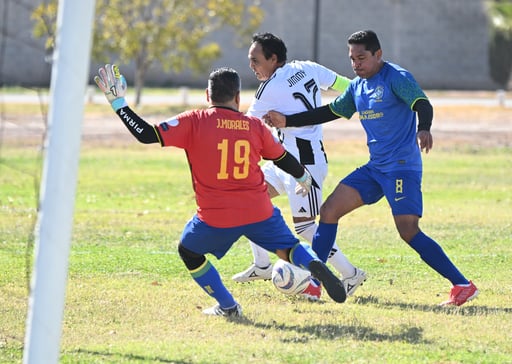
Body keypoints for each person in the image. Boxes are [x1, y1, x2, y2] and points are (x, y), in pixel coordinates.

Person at [94, 64, 347, 317]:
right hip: (259, 209)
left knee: (189, 251)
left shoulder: (194, 121)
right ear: (238, 98)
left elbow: (147, 135)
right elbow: (282, 158)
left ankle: (228, 306)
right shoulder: (254, 125)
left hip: (216, 216)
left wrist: (119, 104)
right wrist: (302, 176)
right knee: (289, 248)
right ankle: (312, 263)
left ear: (207, 95)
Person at [264, 30, 478, 307]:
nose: (356, 65)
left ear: (378, 54)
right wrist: (287, 121)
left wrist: (424, 128)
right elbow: (329, 112)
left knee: (408, 230)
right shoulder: (357, 87)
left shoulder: (396, 77)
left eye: (362, 58)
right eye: (352, 59)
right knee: (329, 211)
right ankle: (315, 283)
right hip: (375, 168)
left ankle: (462, 285)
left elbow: (422, 104)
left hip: (402, 168)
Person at [231, 32, 367, 300]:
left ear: (273, 58)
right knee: (245, 200)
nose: (252, 66)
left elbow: (245, 127)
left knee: (305, 227)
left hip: (305, 165)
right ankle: (262, 265)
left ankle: (351, 274)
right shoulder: (308, 67)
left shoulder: (269, 89)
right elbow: (346, 85)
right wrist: (371, 97)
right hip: (284, 161)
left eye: (255, 60)